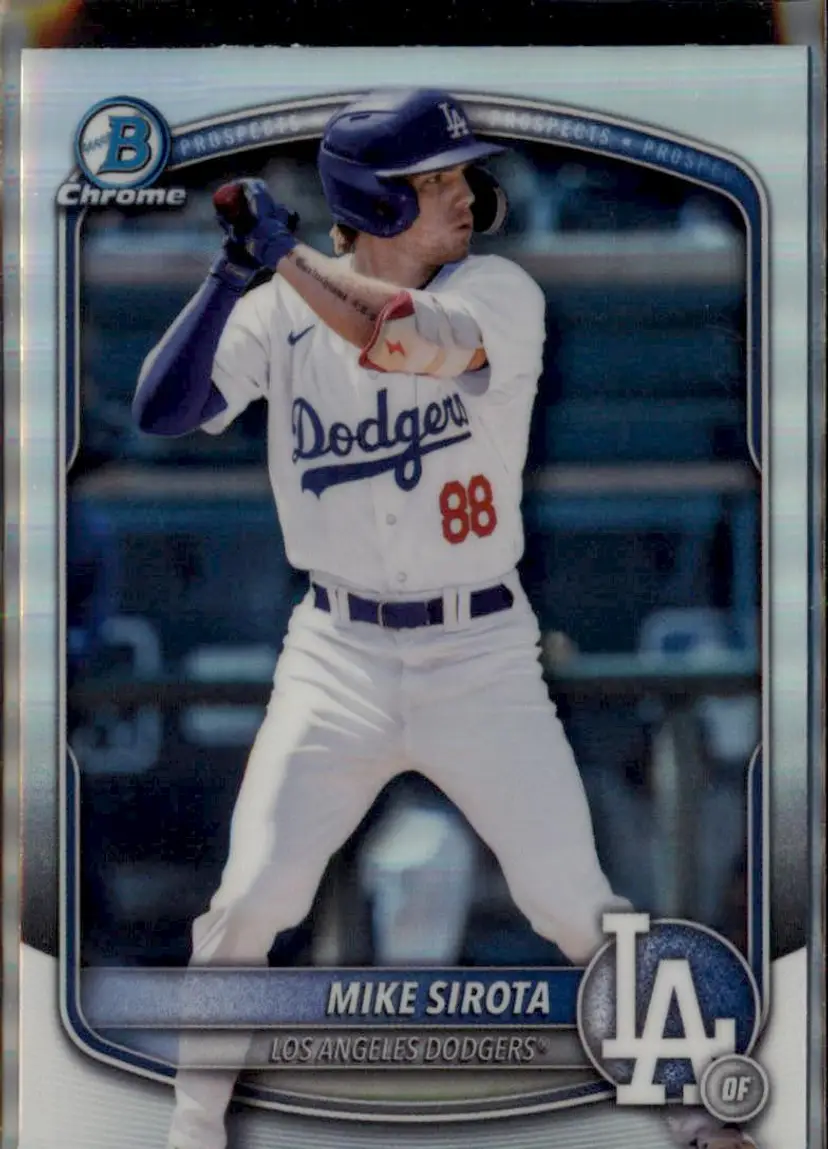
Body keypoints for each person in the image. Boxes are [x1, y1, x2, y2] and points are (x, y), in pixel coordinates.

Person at [132, 86, 755, 1149]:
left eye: (462, 175)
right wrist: (227, 278)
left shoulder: (499, 291)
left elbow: (396, 337)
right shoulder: (283, 308)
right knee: (249, 901)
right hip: (336, 654)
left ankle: (697, 1113)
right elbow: (163, 409)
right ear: (374, 199)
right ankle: (191, 1133)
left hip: (479, 653)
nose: (465, 195)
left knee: (573, 900)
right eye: (435, 181)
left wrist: (285, 258)